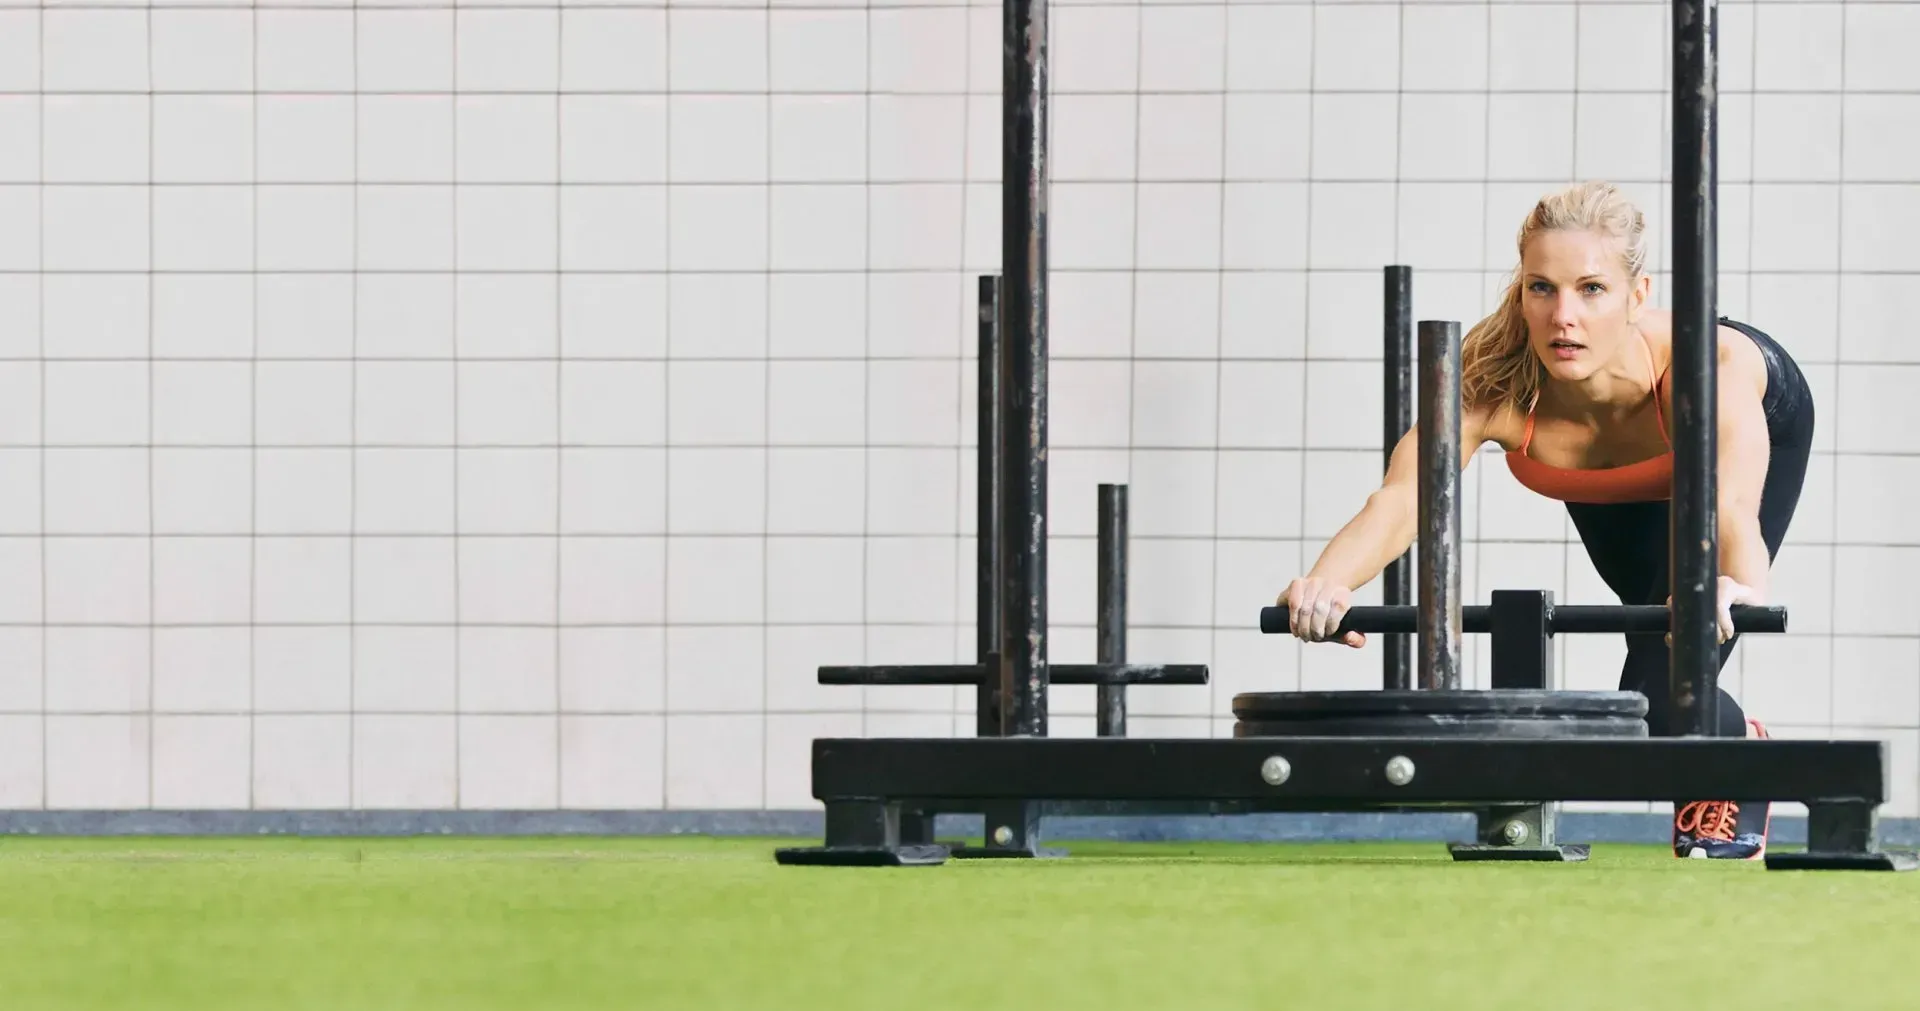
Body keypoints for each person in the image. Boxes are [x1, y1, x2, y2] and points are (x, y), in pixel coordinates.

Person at [1274, 180, 1814, 861]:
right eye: (1542, 288)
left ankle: (1730, 770)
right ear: (1522, 291)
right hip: (1615, 486)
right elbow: (1403, 497)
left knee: (1657, 686)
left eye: (1592, 289)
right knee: (1653, 685)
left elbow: (1729, 502)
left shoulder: (1707, 365)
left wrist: (1737, 581)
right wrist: (1327, 582)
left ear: (1637, 295)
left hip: (1743, 441)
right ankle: (1722, 737)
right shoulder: (1493, 378)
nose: (1565, 316)